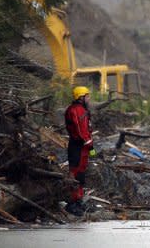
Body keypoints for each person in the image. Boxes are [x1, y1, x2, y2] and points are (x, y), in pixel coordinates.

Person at [64, 86, 94, 216]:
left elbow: (86, 129)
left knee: (80, 174)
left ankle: (78, 200)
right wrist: (89, 144)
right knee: (75, 173)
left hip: (82, 147)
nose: (89, 99)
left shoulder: (81, 109)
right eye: (87, 96)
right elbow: (81, 131)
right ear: (81, 97)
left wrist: (89, 145)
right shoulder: (76, 110)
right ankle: (72, 203)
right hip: (78, 146)